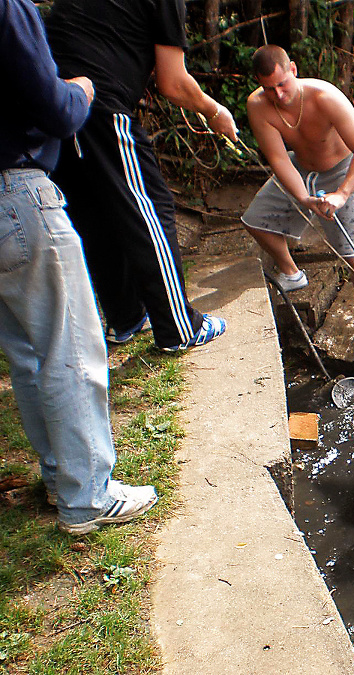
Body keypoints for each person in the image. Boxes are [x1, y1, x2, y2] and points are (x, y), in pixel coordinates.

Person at [1, 0, 157, 534]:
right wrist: (82, 91)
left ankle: (58, 474)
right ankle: (88, 493)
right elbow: (53, 107)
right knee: (70, 344)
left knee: (26, 350)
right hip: (17, 192)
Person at [45, 0, 238, 352]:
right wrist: (215, 110)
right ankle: (180, 328)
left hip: (56, 108)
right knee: (151, 207)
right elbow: (173, 83)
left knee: (94, 213)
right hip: (101, 105)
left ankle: (127, 317)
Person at [241, 45, 354, 363]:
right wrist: (304, 198)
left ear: (292, 69)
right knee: (255, 219)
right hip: (301, 169)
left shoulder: (324, 96)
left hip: (346, 172)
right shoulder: (258, 105)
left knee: (353, 255)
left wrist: (342, 194)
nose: (278, 94)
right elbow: (278, 158)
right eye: (268, 88)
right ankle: (291, 272)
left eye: (282, 84)